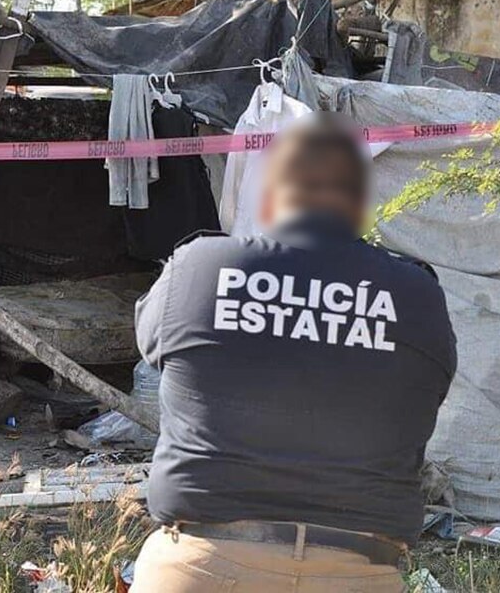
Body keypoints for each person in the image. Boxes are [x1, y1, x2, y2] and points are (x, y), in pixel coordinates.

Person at [130, 112, 456, 592]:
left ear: (268, 195)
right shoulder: (418, 295)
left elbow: (151, 345)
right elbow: (432, 388)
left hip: (204, 564)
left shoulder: (198, 268)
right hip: (359, 570)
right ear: (363, 204)